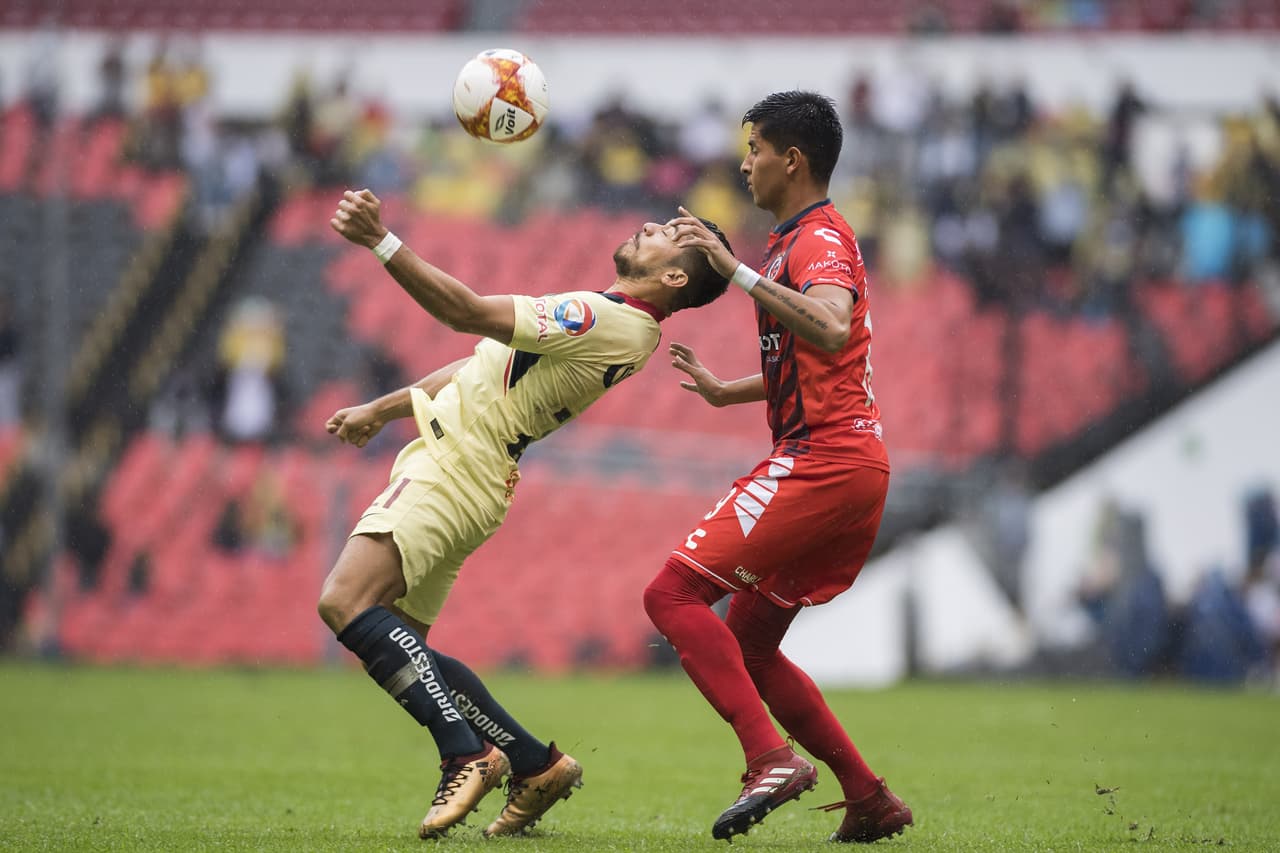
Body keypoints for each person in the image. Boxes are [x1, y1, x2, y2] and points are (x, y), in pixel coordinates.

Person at [318, 188, 733, 839]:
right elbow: (484, 365)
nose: (648, 224)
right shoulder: (621, 320)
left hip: (454, 466)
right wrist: (385, 407)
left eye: (665, 232)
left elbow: (466, 313)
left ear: (675, 274)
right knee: (404, 647)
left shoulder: (604, 317)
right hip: (476, 473)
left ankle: (464, 753)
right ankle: (533, 762)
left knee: (344, 602)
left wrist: (381, 240)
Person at [643, 91, 913, 843]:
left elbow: (827, 326)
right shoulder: (800, 239)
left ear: (790, 159)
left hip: (824, 462)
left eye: (754, 148)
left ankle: (769, 757)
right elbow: (833, 352)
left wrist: (734, 274)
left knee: (670, 594)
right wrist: (732, 389)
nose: (744, 163)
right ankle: (868, 796)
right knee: (754, 645)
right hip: (849, 462)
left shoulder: (817, 241)